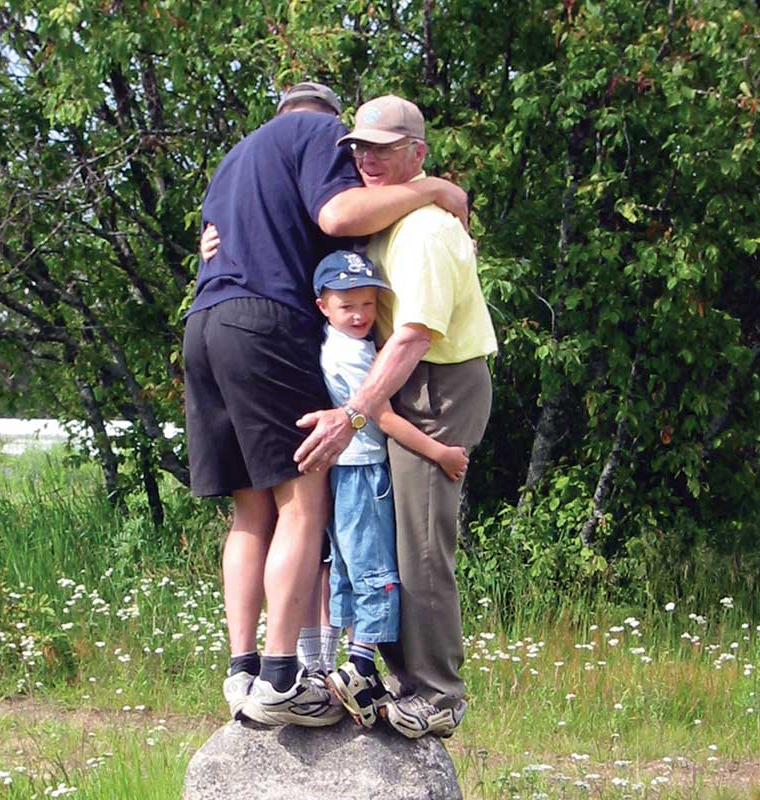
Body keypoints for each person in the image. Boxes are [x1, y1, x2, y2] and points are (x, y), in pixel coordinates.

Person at [183, 82, 471, 727]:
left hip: (204, 327)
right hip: (265, 324)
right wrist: (432, 189)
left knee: (249, 511)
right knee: (303, 499)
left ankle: (244, 668)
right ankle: (285, 677)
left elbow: (220, 245)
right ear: (329, 124)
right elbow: (339, 217)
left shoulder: (235, 160)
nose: (352, 159)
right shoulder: (313, 134)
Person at [294, 95, 498, 739]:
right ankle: (400, 680)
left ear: (418, 152)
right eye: (358, 148)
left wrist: (354, 413)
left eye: (383, 147)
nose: (367, 159)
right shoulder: (394, 214)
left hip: (436, 385)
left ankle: (438, 696)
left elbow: (412, 337)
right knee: (388, 542)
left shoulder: (430, 231)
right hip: (402, 383)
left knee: (422, 546)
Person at [310, 249, 467, 729]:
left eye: (368, 305)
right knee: (376, 568)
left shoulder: (338, 343)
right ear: (324, 306)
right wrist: (439, 452)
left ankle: (339, 660)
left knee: (350, 564)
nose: (359, 316)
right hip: (364, 473)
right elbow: (385, 418)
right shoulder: (352, 356)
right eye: (347, 306)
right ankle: (358, 666)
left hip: (346, 472)